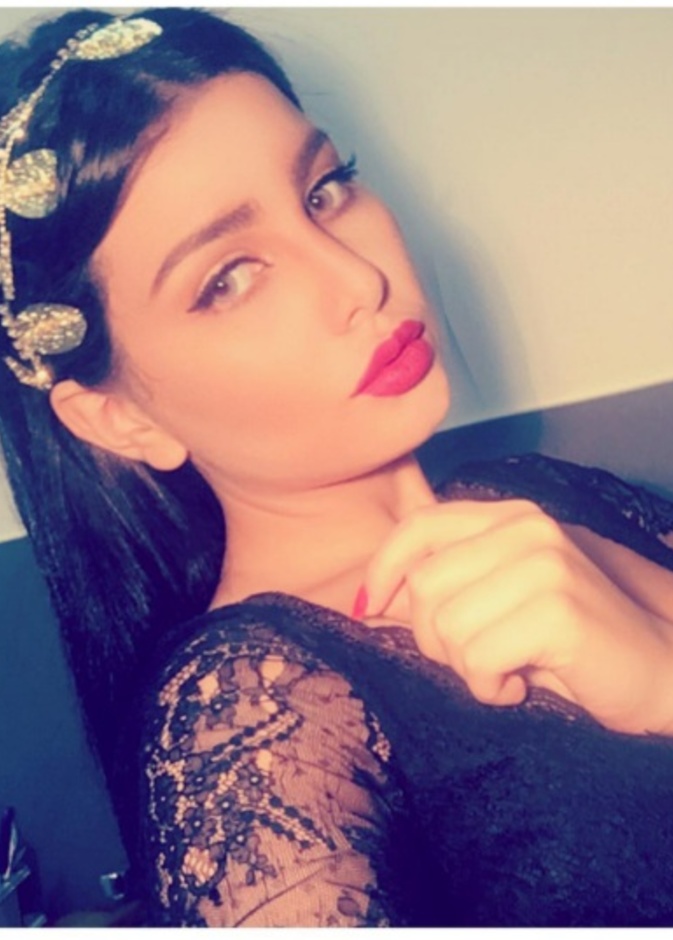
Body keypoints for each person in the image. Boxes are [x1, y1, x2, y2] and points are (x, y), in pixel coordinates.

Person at [2, 7, 673, 927]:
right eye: (228, 278)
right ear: (121, 418)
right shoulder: (249, 727)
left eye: (324, 190)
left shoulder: (541, 493)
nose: (359, 280)